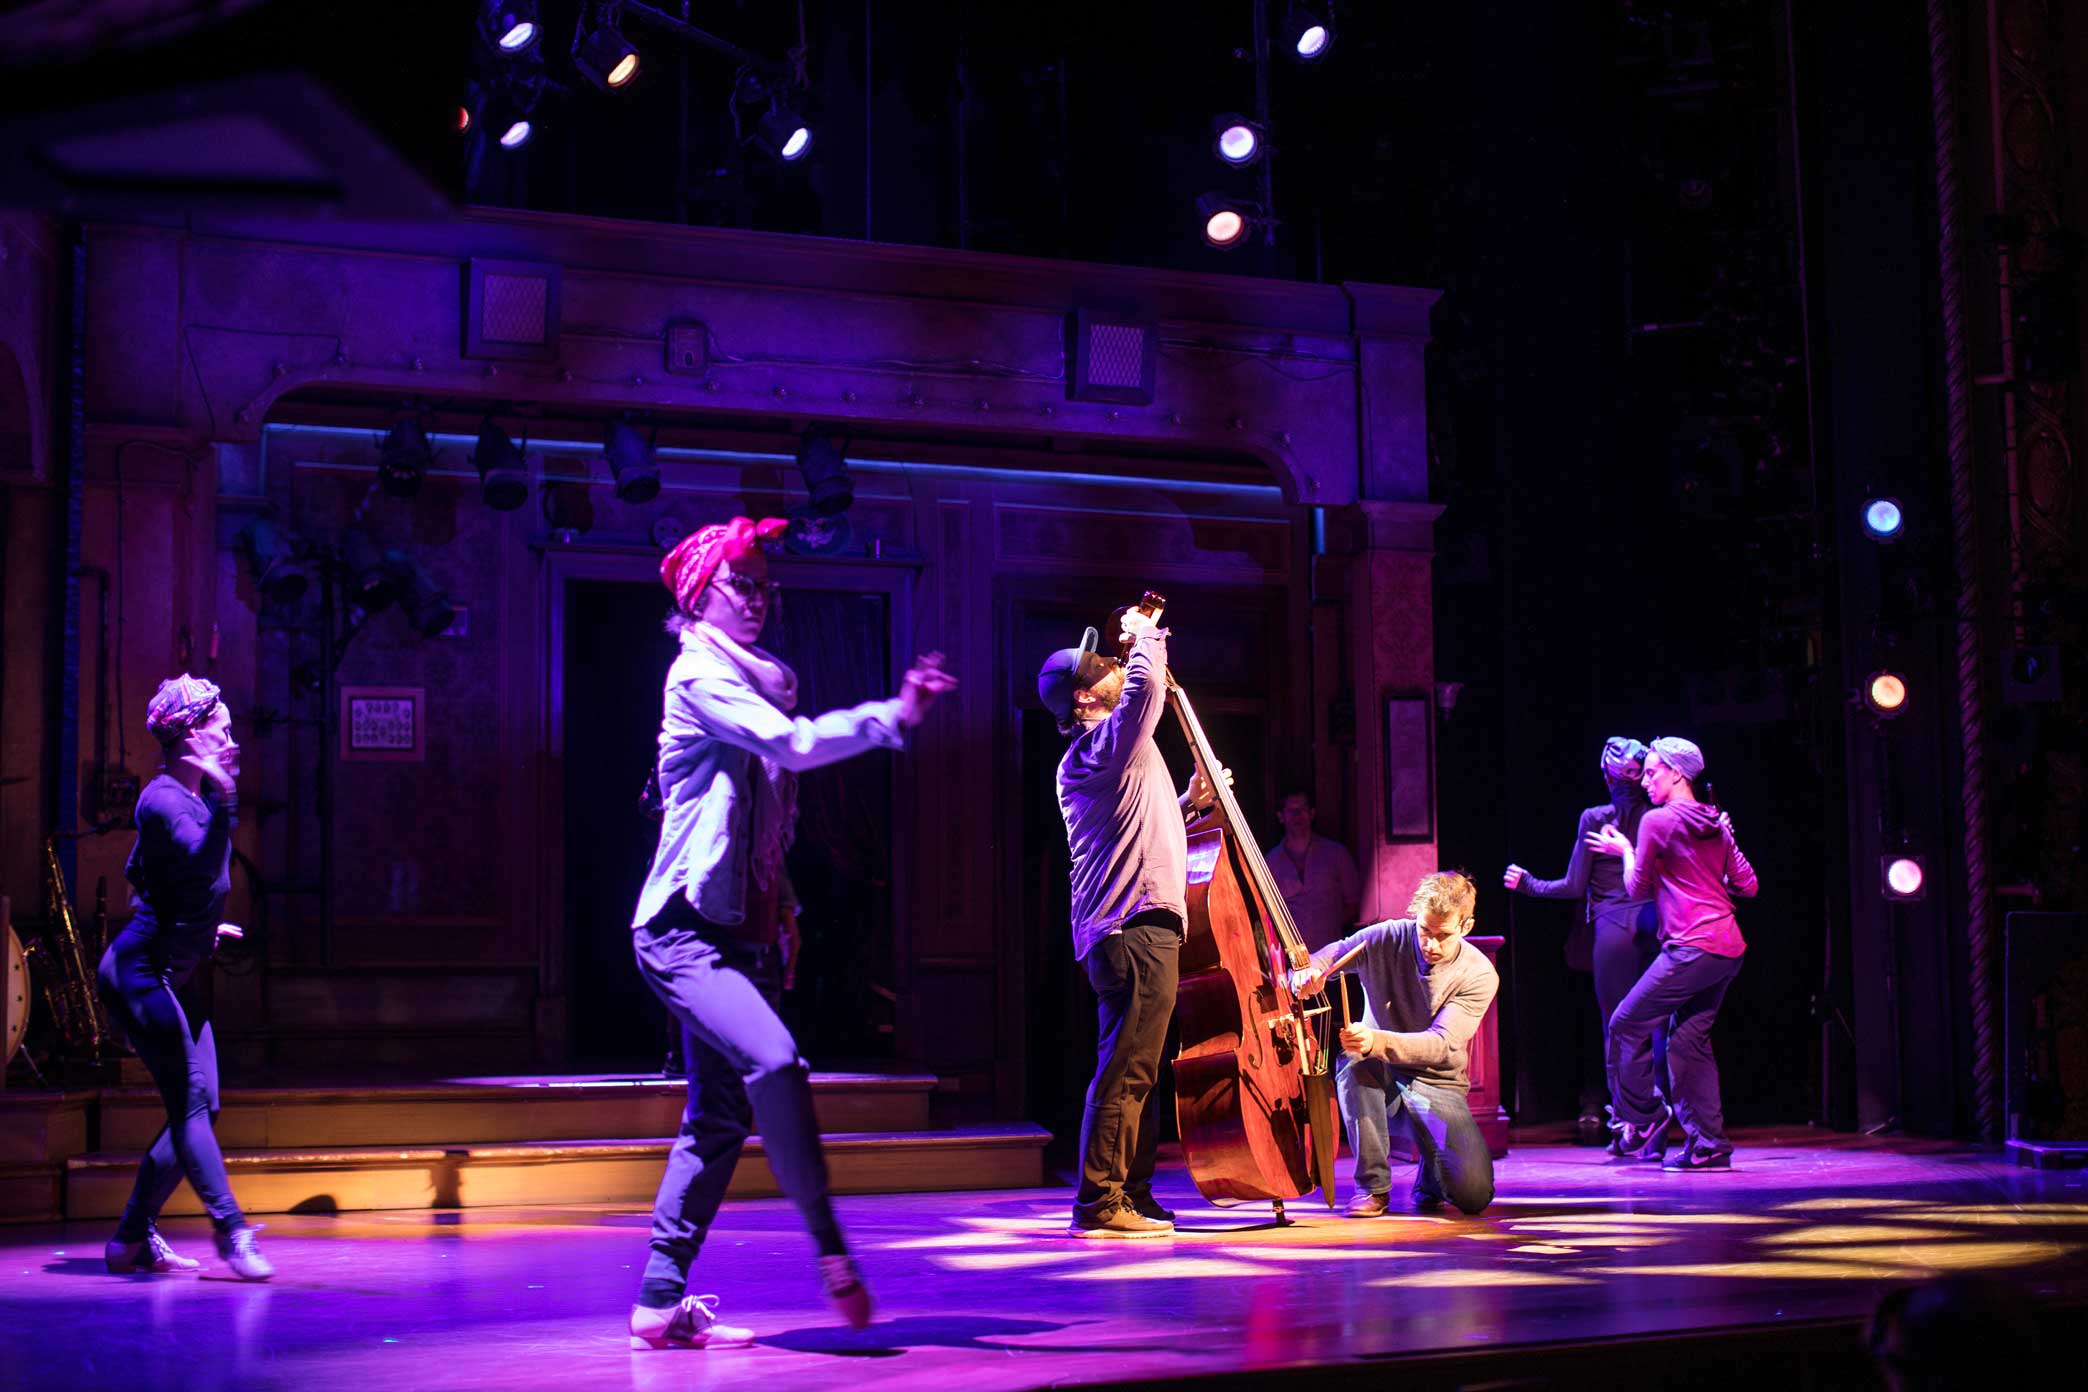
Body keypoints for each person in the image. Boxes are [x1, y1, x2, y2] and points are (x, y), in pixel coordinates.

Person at [627, 516, 955, 1350]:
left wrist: (785, 912)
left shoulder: (757, 679)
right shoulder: (698, 677)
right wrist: (894, 714)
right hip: (681, 934)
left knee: (718, 1119)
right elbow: (793, 747)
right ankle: (832, 1254)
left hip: (739, 934)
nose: (760, 598)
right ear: (702, 594)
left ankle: (659, 1302)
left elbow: (765, 818)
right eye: (744, 584)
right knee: (775, 1063)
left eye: (768, 586)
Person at [1042, 610, 1220, 1239]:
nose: (1116, 669)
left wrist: (1186, 805)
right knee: (1127, 1070)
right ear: (1087, 696)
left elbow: (1137, 829)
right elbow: (1146, 696)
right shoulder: (1099, 748)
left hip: (1133, 928)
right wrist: (1147, 634)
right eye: (1104, 669)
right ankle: (1099, 1203)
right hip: (1134, 927)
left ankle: (1131, 1193)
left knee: (1136, 1069)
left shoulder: (1107, 758)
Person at [96, 674, 272, 1281]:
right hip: (141, 975)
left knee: (204, 1103)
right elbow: (197, 863)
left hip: (174, 965)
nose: (231, 735)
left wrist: (199, 929)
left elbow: (145, 874)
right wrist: (227, 801)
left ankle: (129, 1238)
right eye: (222, 725)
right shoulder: (165, 798)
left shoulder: (191, 799)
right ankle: (231, 1232)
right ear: (194, 733)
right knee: (191, 1103)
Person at [1588, 736, 1756, 1170]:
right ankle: (1708, 1144)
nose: (1644, 781)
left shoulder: (1656, 822)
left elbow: (1636, 887)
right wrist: (1725, 841)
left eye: (1652, 772)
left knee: (1625, 1023)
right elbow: (1748, 885)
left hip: (1691, 948)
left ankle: (1645, 1118)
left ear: (1677, 774)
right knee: (1687, 1042)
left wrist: (1625, 852)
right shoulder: (1714, 822)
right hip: (1727, 950)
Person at [1290, 871, 1498, 1217]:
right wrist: (1311, 971)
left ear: (1466, 926)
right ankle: (1373, 1188)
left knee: (1473, 1195)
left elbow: (1441, 1044)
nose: (1430, 944)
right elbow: (1333, 953)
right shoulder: (1387, 936)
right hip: (1379, 1071)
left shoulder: (1479, 973)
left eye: (1442, 935)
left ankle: (1430, 1179)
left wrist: (1375, 1039)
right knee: (1354, 1064)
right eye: (1424, 931)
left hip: (1437, 1082)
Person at [1503, 736, 1663, 1147]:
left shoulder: (1596, 817)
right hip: (1656, 924)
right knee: (1654, 1023)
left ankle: (1634, 1120)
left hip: (1614, 932)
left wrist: (1530, 885)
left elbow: (1574, 886)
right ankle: (1654, 1112)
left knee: (1618, 1028)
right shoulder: (1658, 816)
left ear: (1607, 776)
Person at [1265, 786, 1360, 953]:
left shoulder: (1337, 854)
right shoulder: (1270, 863)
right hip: (1293, 961)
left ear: (1312, 814)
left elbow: (1353, 903)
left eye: (1302, 809)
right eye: (1291, 810)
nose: (1297, 816)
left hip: (1334, 957)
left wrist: (1328, 925)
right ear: (1281, 816)